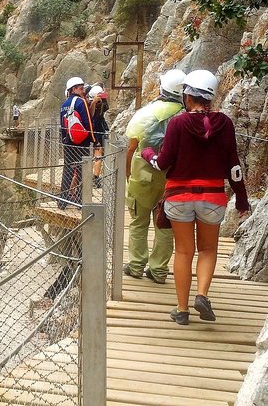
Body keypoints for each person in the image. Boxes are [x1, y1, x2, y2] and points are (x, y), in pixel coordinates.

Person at [141, 69, 250, 325]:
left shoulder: (178, 123)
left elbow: (164, 162)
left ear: (188, 96)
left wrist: (148, 154)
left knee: (184, 252)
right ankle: (201, 294)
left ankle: (182, 309)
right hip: (213, 198)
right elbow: (233, 166)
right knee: (208, 249)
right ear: (211, 97)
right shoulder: (225, 123)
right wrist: (242, 199)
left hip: (179, 196)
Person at [123, 69, 186, 284]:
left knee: (139, 222)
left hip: (144, 174)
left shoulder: (147, 113)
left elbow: (132, 147)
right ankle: (159, 270)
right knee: (164, 223)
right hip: (173, 177)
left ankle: (136, 265)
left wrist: (128, 173)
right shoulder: (186, 116)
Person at [58, 77, 95, 209]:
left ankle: (62, 201)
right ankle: (80, 201)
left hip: (68, 142)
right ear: (74, 89)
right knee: (81, 170)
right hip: (82, 143)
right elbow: (88, 122)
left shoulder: (64, 105)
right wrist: (93, 140)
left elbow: (62, 126)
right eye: (80, 87)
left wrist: (64, 140)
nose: (83, 90)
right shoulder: (81, 102)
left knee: (68, 169)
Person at [87, 85, 110, 188]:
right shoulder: (95, 106)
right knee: (98, 155)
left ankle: (94, 176)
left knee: (96, 155)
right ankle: (95, 177)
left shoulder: (97, 105)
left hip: (96, 131)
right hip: (96, 132)